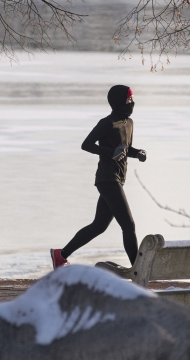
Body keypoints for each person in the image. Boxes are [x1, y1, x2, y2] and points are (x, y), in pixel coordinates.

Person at [51, 85, 147, 269]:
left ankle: (60, 255)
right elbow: (86, 144)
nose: (132, 103)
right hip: (107, 178)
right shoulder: (107, 123)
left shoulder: (129, 123)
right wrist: (111, 153)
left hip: (118, 178)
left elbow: (125, 150)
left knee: (99, 226)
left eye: (133, 100)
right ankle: (138, 269)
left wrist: (138, 153)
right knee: (128, 225)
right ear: (118, 102)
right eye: (129, 100)